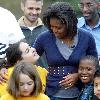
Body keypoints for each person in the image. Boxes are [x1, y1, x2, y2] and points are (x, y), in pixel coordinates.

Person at [34, 2, 98, 100]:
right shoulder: (44, 38)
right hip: (52, 94)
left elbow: (95, 65)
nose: (54, 30)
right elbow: (27, 58)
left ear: (69, 24)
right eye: (52, 26)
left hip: (82, 94)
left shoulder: (87, 37)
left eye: (58, 27)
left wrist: (78, 75)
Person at [18, 0, 48, 67]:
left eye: (38, 9)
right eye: (30, 8)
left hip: (45, 75)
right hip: (21, 75)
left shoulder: (49, 29)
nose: (34, 12)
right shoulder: (13, 30)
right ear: (22, 6)